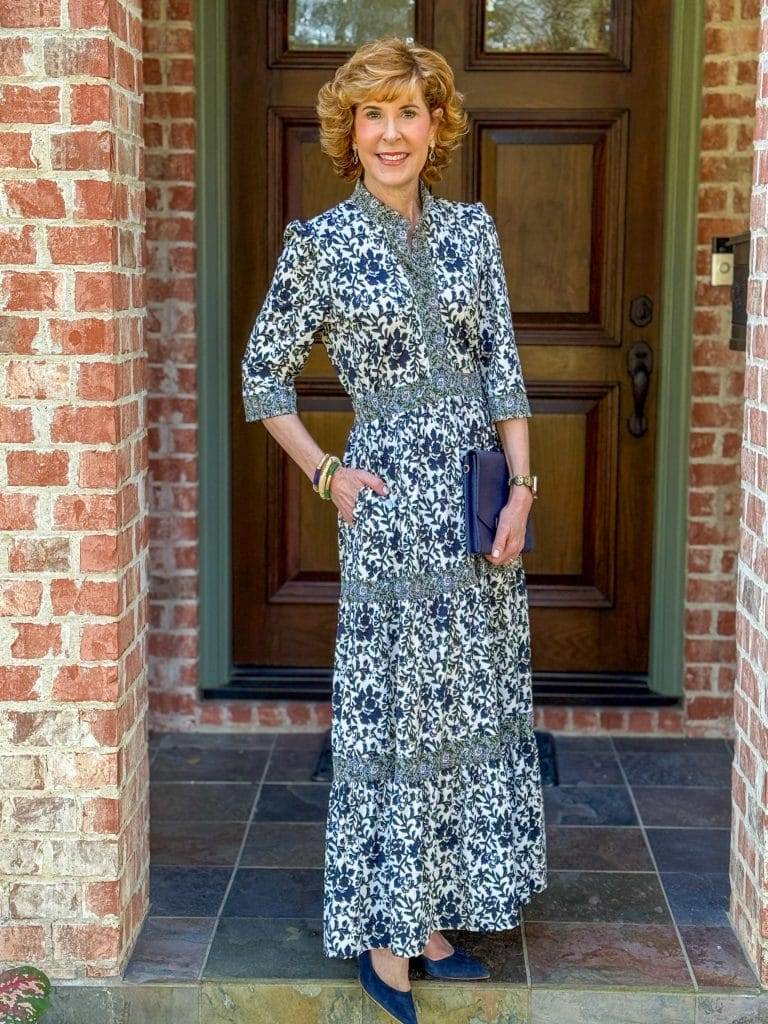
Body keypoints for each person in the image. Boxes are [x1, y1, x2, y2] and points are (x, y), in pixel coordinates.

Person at [241, 35, 547, 1024]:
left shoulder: (473, 231)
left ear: (435, 126)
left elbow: (503, 365)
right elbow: (262, 376)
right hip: (387, 518)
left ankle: (428, 922)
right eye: (372, 115)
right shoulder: (319, 245)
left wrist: (524, 488)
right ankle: (385, 941)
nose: (390, 133)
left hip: (476, 505)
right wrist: (326, 470)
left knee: (466, 715)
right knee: (401, 721)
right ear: (349, 131)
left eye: (407, 113)